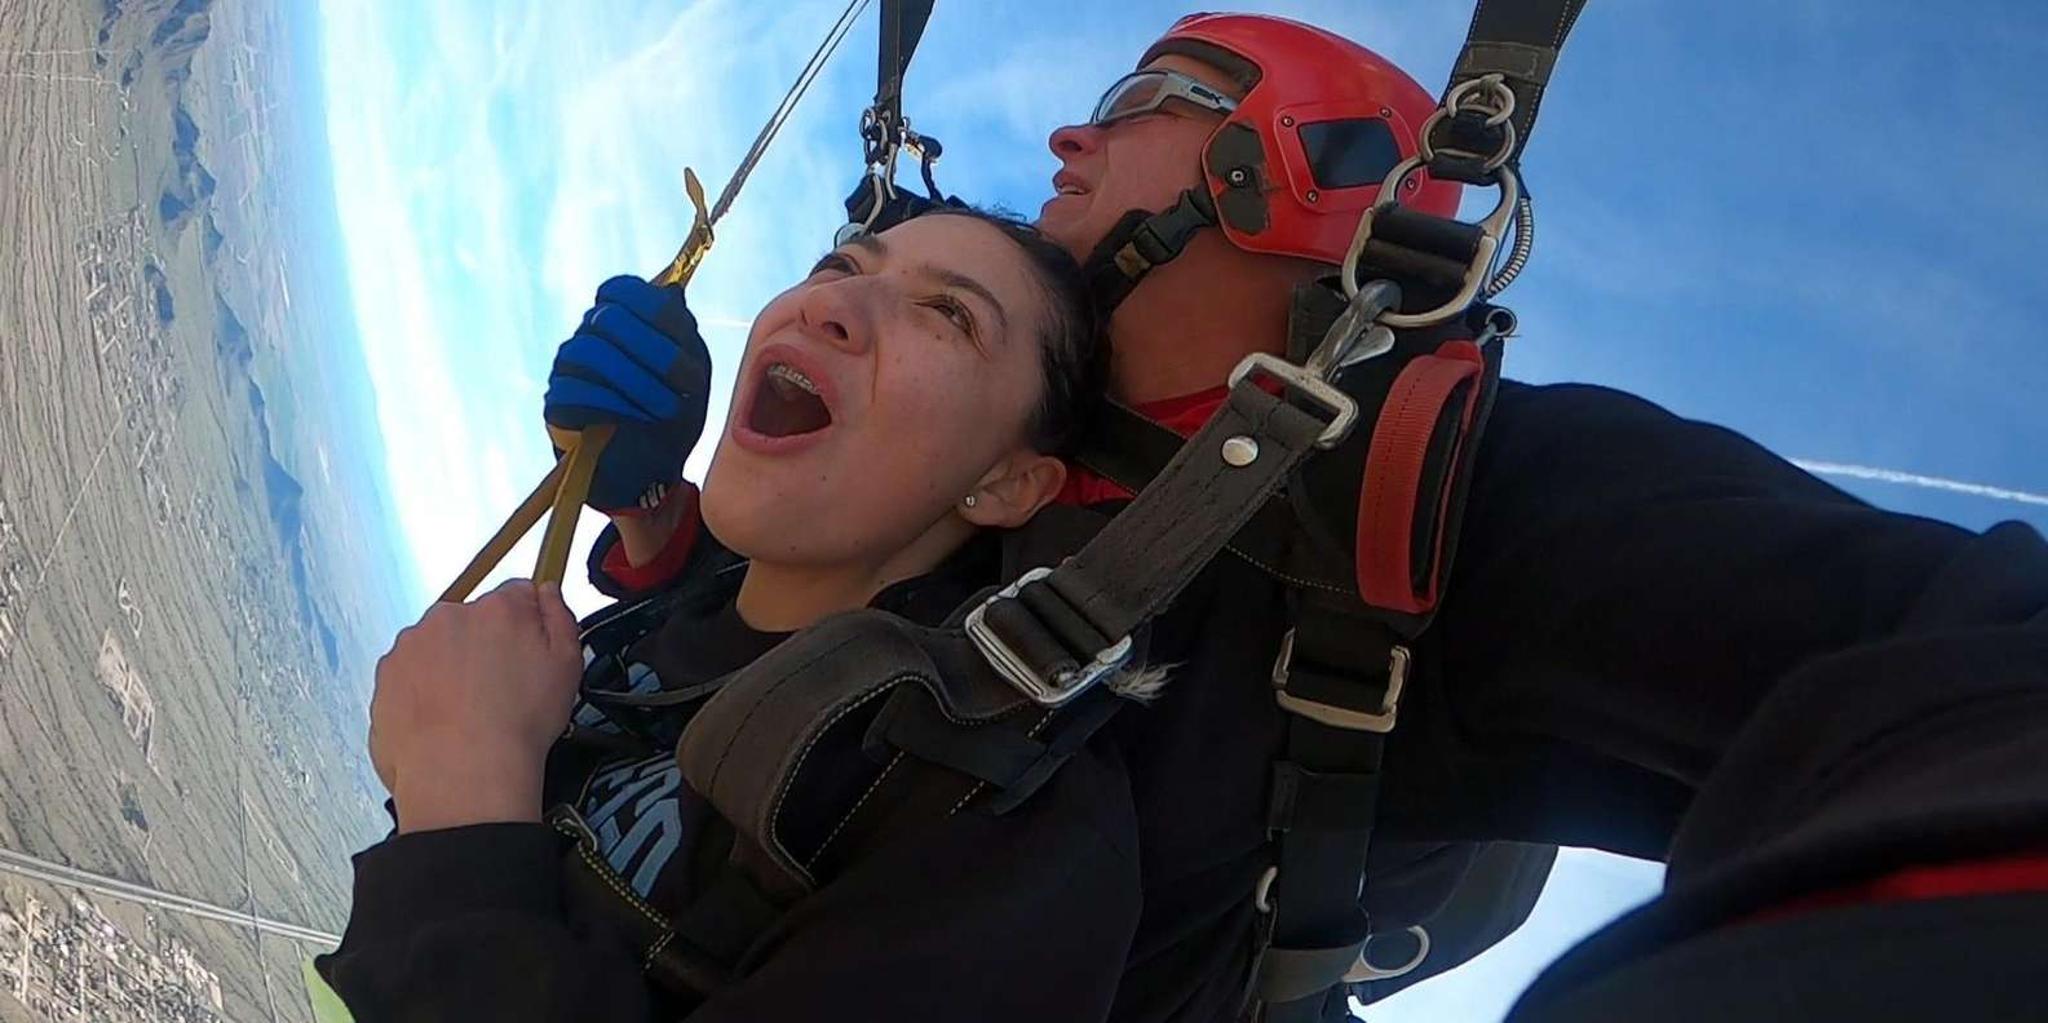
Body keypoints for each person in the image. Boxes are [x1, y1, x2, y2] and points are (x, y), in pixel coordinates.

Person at [539, 12, 2048, 1023]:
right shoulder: (1035, 444)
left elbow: (1979, 668)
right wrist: (664, 511)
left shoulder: (1467, 501)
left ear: (1301, 172)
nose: (1070, 137)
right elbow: (843, 628)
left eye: (1146, 105)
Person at [312, 207, 1144, 1021]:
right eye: (843, 265)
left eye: (949, 312)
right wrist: (639, 494)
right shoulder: (705, 611)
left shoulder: (1008, 847)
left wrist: (462, 790)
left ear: (1004, 482)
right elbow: (703, 587)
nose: (830, 302)